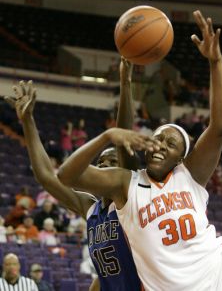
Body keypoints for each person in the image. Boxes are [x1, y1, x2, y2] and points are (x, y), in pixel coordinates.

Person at [57, 11, 222, 291]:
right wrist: (108, 135)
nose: (160, 146)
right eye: (157, 139)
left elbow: (219, 127)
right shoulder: (127, 184)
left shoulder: (190, 175)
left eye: (171, 144)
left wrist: (216, 62)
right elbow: (67, 175)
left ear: (181, 158)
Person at [5, 57, 143, 291]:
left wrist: (125, 83)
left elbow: (124, 139)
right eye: (100, 163)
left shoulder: (130, 200)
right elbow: (47, 177)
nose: (104, 168)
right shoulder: (90, 207)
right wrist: (28, 122)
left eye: (112, 163)